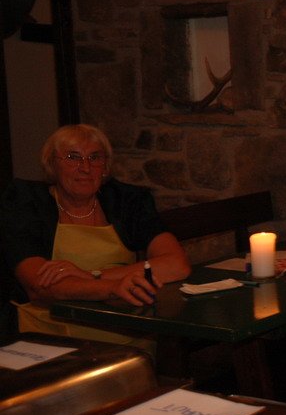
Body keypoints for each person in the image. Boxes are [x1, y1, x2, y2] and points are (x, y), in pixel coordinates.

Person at [1, 124, 190, 348]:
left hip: (125, 332)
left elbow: (176, 264)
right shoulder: (24, 202)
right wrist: (112, 287)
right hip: (49, 338)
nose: (85, 167)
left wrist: (91, 275)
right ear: (52, 164)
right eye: (72, 157)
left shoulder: (127, 200)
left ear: (105, 167)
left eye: (95, 157)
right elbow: (39, 287)